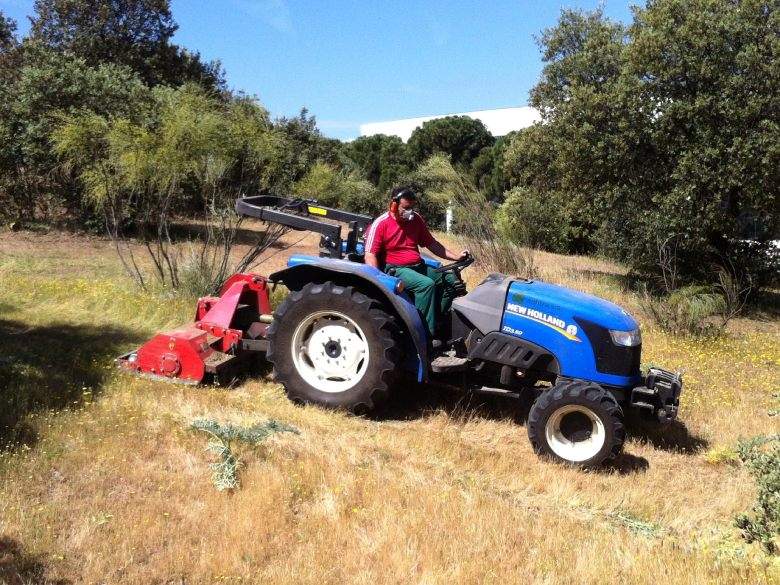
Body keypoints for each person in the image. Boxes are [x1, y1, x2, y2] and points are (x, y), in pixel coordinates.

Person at [364, 186, 469, 342]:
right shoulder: (381, 223)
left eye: (412, 208)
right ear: (393, 205)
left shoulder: (416, 220)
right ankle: (423, 336)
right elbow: (370, 254)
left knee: (451, 281)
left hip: (417, 266)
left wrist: (456, 257)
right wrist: (377, 279)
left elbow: (432, 244)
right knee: (426, 285)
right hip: (395, 269)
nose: (410, 212)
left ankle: (437, 322)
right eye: (406, 208)